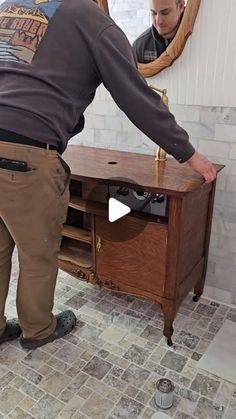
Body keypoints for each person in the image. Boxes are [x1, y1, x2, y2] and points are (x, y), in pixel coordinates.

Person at [0, 0, 216, 350]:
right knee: (37, 254)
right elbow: (137, 99)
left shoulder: (11, 9)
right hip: (28, 155)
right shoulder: (92, 20)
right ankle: (38, 330)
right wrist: (188, 153)